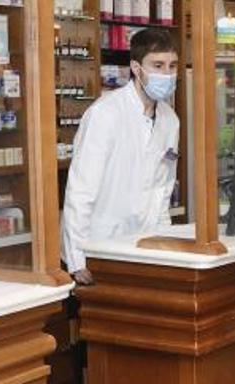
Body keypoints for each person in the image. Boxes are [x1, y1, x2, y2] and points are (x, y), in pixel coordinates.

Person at [61, 28, 180, 284]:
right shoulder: (106, 113)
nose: (167, 74)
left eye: (172, 66)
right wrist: (77, 258)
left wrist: (163, 242)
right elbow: (81, 190)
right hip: (100, 247)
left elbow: (162, 188)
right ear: (137, 69)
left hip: (145, 247)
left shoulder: (170, 120)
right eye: (158, 65)